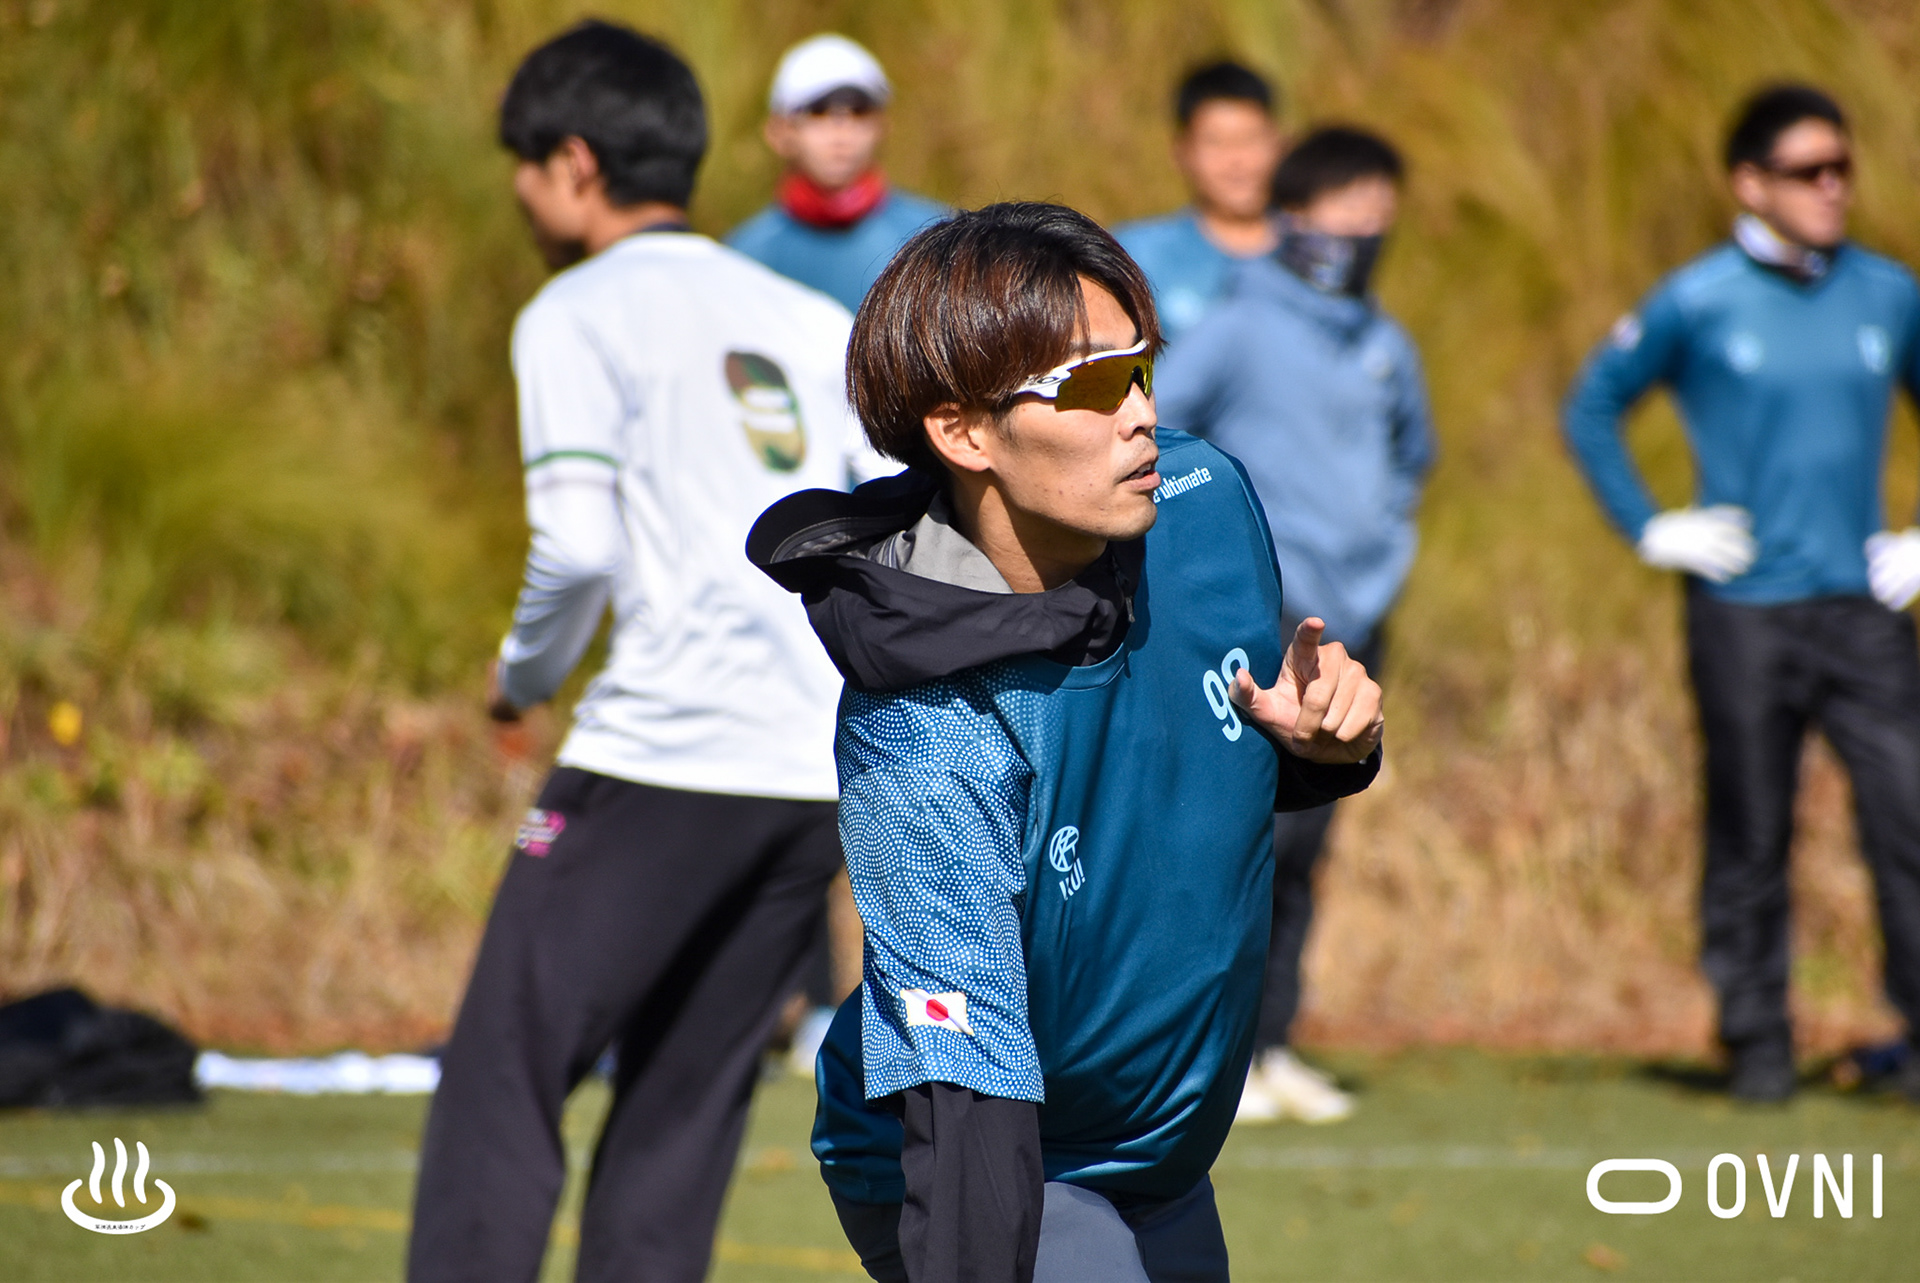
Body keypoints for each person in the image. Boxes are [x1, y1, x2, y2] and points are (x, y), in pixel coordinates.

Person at [750, 202, 1384, 1283]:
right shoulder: (923, 731)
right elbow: (966, 1092)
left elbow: (1154, 773)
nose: (1141, 414)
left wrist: (1323, 749)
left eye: (1142, 369)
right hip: (1007, 1156)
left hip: (1157, 1150)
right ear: (963, 433)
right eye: (1091, 386)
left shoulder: (1203, 502)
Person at [407, 23, 880, 1283]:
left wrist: (522, 678)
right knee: (686, 1108)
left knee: (502, 1074)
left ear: (573, 163)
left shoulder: (576, 310)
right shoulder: (805, 316)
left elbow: (576, 548)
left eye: (524, 169)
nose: (521, 197)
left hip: (663, 756)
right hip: (810, 773)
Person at [1562, 83, 1920, 1103]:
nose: (1832, 187)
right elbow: (1593, 406)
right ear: (1751, 183)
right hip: (1744, 610)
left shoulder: (1889, 294)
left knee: (1908, 817)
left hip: (1864, 607)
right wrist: (1650, 525)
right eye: (1809, 171)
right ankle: (1757, 1044)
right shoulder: (1698, 298)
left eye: (1842, 167)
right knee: (1751, 829)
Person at [1155, 127, 1433, 1125]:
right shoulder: (1238, 325)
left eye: (1378, 211)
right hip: (1264, 617)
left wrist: (1383, 545)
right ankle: (1208, 1050)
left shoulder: (1383, 341)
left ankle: (1270, 1042)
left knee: (1310, 839)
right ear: (1295, 215)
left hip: (1357, 617)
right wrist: (1214, 565)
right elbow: (1158, 437)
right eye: (1345, 208)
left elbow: (1413, 456)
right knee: (1239, 834)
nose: (1363, 229)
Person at [728, 33, 946, 312]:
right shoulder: (744, 256)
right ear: (779, 132)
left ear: (882, 126)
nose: (842, 133)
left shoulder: (935, 239)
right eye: (818, 112)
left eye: (859, 111)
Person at [1114, 61, 1286, 345]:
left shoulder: (1318, 252)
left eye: (1250, 139)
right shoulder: (1136, 255)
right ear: (1181, 151)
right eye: (1215, 142)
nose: (1237, 160)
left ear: (1279, 143)